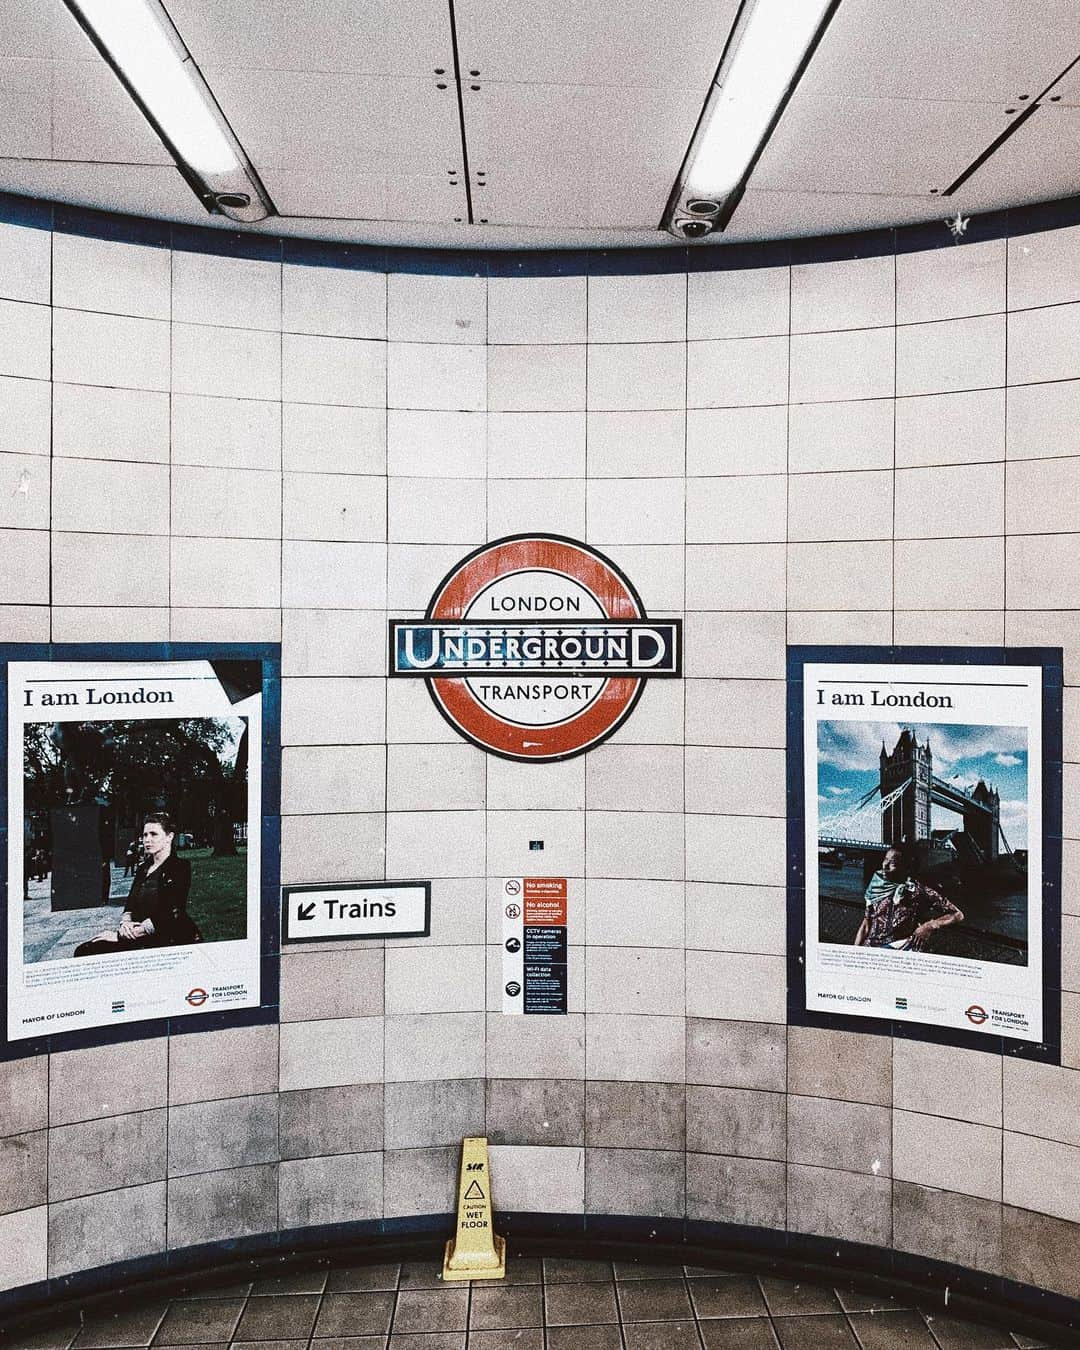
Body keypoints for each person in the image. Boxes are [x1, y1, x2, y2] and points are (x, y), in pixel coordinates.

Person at [74, 812, 200, 957]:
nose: (147, 840)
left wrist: (122, 936)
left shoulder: (180, 867)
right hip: (137, 933)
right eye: (145, 835)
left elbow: (172, 911)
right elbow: (130, 904)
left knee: (89, 952)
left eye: (153, 834)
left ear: (169, 837)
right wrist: (125, 924)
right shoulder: (143, 869)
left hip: (166, 936)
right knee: (86, 949)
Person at [854, 845, 964, 952]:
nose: (885, 866)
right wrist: (854, 951)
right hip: (869, 950)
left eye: (893, 863)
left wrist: (930, 925)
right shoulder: (875, 887)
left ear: (906, 868)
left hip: (898, 951)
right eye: (885, 859)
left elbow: (957, 914)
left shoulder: (919, 891)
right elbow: (866, 924)